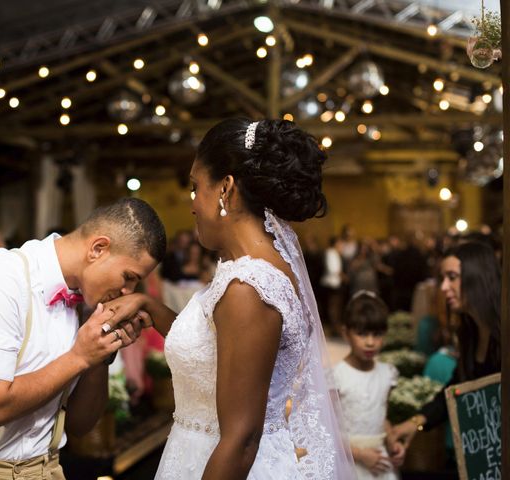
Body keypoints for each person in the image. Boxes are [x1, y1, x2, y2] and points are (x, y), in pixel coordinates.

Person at [106, 118, 355, 479]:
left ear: (226, 188)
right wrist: (149, 307)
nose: (192, 205)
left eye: (196, 187)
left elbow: (241, 439)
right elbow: (221, 353)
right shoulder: (250, 270)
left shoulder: (248, 288)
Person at [0, 198, 166, 479]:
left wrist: (100, 355)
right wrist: (79, 356)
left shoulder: (83, 301)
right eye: (128, 277)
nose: (128, 291)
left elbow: (80, 425)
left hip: (45, 468)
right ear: (98, 248)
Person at [389, 242, 501, 455]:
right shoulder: (471, 331)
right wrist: (416, 422)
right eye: (443, 278)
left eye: (452, 277)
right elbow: (457, 387)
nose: (443, 287)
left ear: (477, 276)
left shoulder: (501, 333)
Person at [333, 291, 404, 479]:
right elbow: (327, 427)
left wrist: (392, 443)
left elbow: (382, 416)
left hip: (379, 461)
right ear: (345, 333)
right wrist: (360, 455)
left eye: (377, 334)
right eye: (362, 334)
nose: (370, 342)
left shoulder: (387, 373)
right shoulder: (336, 376)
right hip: (349, 459)